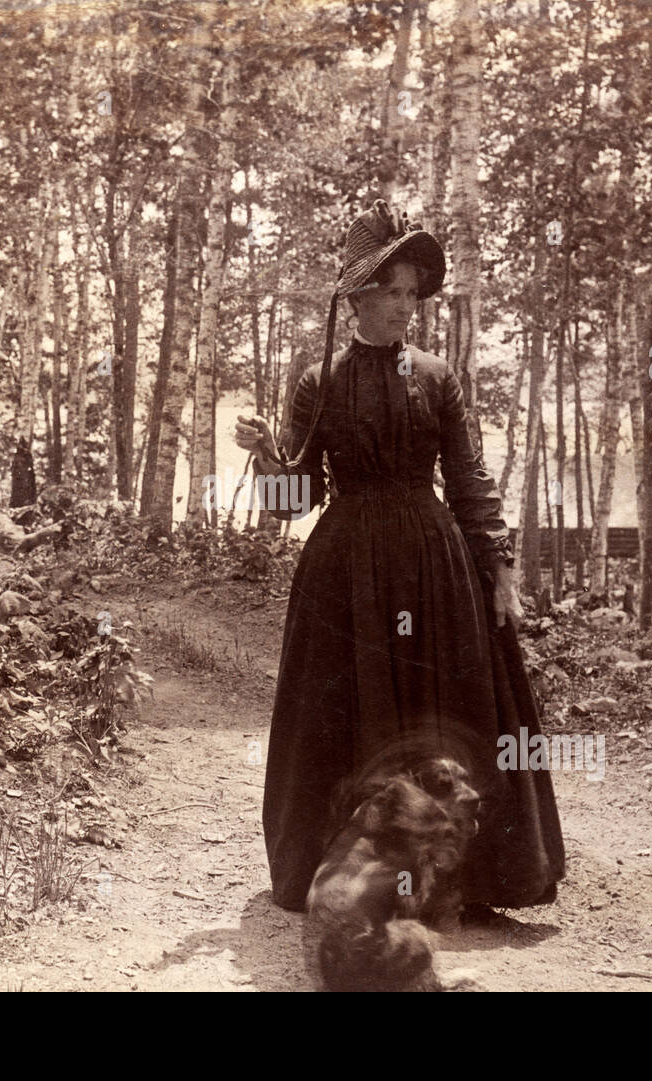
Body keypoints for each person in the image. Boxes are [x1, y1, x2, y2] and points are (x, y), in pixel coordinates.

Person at [234, 199, 565, 917]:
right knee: (348, 711)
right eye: (390, 292)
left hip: (432, 565)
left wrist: (499, 568)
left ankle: (458, 877)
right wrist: (268, 455)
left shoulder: (439, 378)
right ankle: (352, 869)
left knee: (441, 712)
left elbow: (471, 479)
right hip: (345, 575)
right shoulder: (319, 381)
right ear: (356, 298)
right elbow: (296, 499)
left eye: (412, 293)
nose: (404, 306)